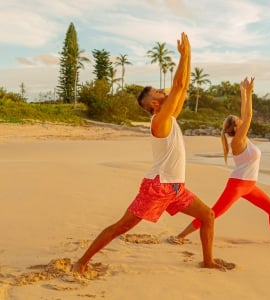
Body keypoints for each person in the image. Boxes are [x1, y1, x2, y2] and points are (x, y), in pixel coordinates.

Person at [72, 32, 232, 273]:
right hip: (158, 187)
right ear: (154, 105)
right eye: (157, 92)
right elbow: (178, 86)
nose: (162, 91)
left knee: (207, 215)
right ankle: (80, 262)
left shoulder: (169, 116)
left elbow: (183, 86)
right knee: (121, 227)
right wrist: (185, 54)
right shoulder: (160, 121)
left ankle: (208, 260)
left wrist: (188, 57)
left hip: (176, 187)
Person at [174, 77, 270, 245]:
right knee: (213, 214)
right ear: (235, 128)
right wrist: (246, 92)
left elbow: (244, 115)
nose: (242, 120)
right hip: (238, 185)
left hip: (250, 186)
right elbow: (248, 115)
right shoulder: (237, 141)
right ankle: (180, 236)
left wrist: (245, 92)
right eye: (238, 120)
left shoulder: (243, 139)